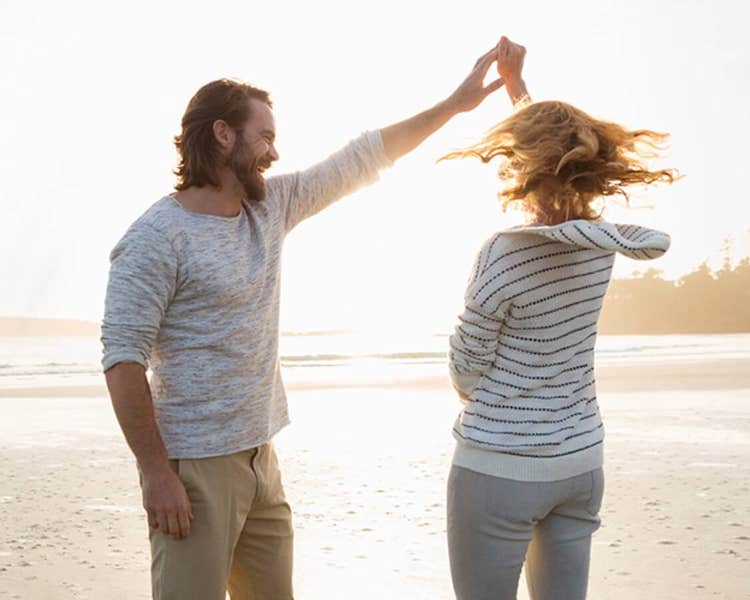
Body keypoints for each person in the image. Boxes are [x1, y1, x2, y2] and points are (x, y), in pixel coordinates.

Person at [101, 38, 514, 600]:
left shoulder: (268, 207)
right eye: (264, 136)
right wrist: (155, 473)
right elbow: (122, 359)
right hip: (193, 466)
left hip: (261, 455)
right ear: (223, 135)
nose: (273, 153)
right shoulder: (154, 238)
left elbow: (363, 157)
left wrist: (452, 105)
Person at [444, 38, 676, 600]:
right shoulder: (603, 244)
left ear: (522, 165)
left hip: (500, 468)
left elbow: (465, 371)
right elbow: (561, 161)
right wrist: (521, 90)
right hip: (578, 463)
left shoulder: (503, 252)